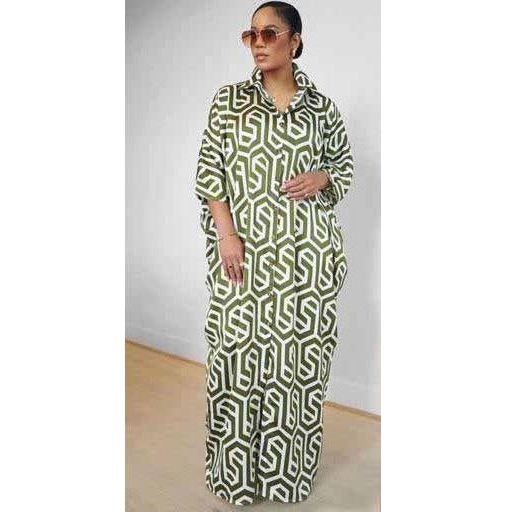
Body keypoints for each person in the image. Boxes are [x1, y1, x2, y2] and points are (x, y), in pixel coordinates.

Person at [194, 1, 354, 505]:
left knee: (297, 367)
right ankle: (236, 477)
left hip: (308, 260)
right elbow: (210, 172)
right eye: (251, 35)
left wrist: (323, 175)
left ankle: (287, 477)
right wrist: (227, 235)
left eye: (269, 33)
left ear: (295, 41)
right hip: (245, 257)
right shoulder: (229, 102)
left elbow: (344, 166)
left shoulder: (322, 108)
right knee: (236, 358)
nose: (258, 43)